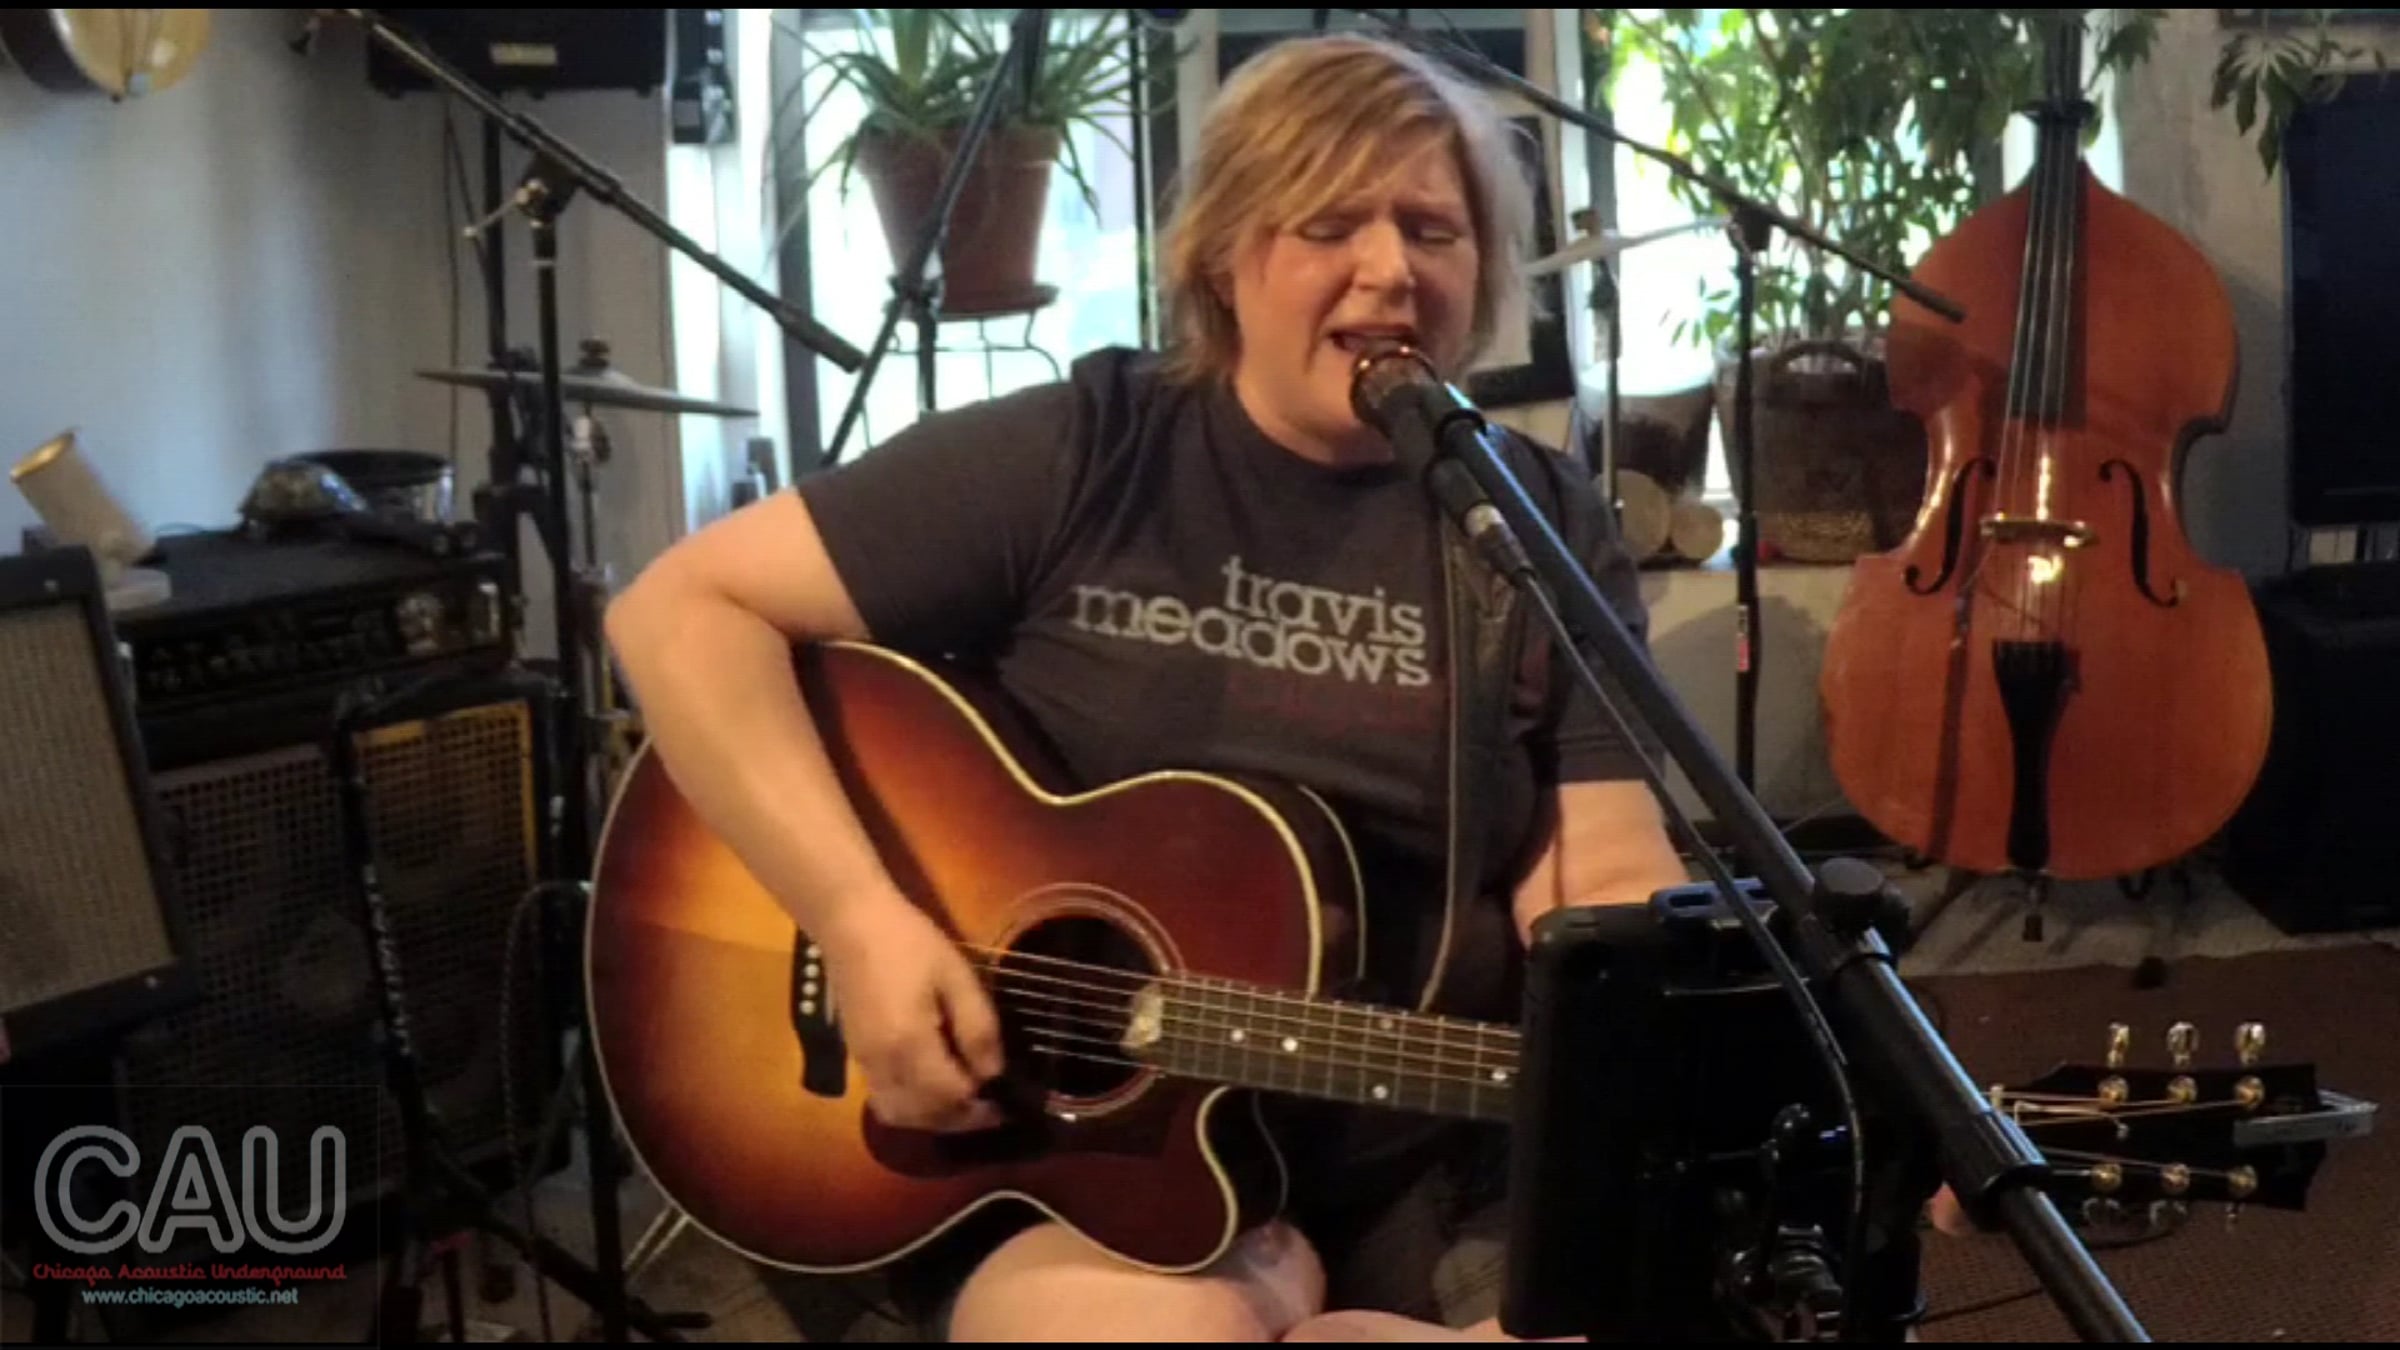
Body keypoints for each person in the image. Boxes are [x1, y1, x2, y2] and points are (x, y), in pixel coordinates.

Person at [604, 31, 1690, 1342]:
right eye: (1329, 223)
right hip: (1050, 1152)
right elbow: (679, 611)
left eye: (1432, 229)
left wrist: (1664, 1027)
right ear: (1224, 256)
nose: (1391, 267)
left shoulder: (1534, 524)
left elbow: (1601, 865)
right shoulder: (1090, 450)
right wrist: (860, 918)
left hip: (1400, 1148)